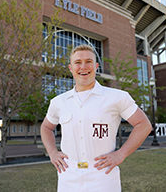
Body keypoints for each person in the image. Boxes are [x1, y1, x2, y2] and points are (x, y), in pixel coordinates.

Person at [41, 44, 152, 192]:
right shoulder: (58, 102)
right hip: (68, 176)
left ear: (96, 66)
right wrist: (52, 152)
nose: (83, 67)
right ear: (70, 68)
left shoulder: (117, 97)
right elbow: (46, 127)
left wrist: (121, 153)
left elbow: (143, 124)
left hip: (103, 176)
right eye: (78, 63)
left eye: (88, 61)